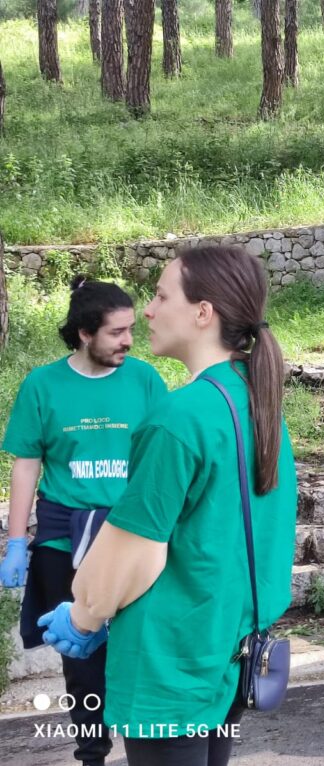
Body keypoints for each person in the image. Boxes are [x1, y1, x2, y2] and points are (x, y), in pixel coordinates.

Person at [38, 246, 298, 766]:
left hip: (170, 661)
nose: (149, 311)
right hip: (227, 650)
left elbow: (135, 551)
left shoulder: (178, 418)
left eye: (160, 295)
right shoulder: (255, 401)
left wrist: (84, 616)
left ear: (204, 313)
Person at [0, 276, 166, 766]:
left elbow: (162, 460)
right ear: (84, 334)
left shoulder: (145, 381)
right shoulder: (42, 385)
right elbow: (26, 463)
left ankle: (148, 747)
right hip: (61, 537)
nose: (129, 341)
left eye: (131, 329)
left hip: (131, 537)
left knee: (137, 647)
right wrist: (15, 540)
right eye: (116, 332)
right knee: (81, 655)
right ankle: (91, 752)